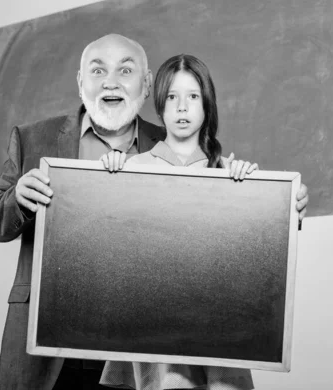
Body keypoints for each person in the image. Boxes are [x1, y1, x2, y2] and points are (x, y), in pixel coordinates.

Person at [0, 34, 308, 390]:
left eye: (125, 70)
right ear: (80, 81)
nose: (111, 81)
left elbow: (226, 217)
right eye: (98, 69)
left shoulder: (173, 142)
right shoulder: (34, 138)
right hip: (50, 343)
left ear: (147, 85)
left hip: (138, 350)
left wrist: (286, 204)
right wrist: (18, 198)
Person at [97, 54, 274, 390]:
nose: (182, 108)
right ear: (160, 106)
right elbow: (110, 253)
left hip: (215, 323)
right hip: (153, 324)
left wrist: (260, 194)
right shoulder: (131, 169)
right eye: (173, 97)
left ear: (206, 105)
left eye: (193, 97)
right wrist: (106, 181)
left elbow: (253, 257)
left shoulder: (228, 175)